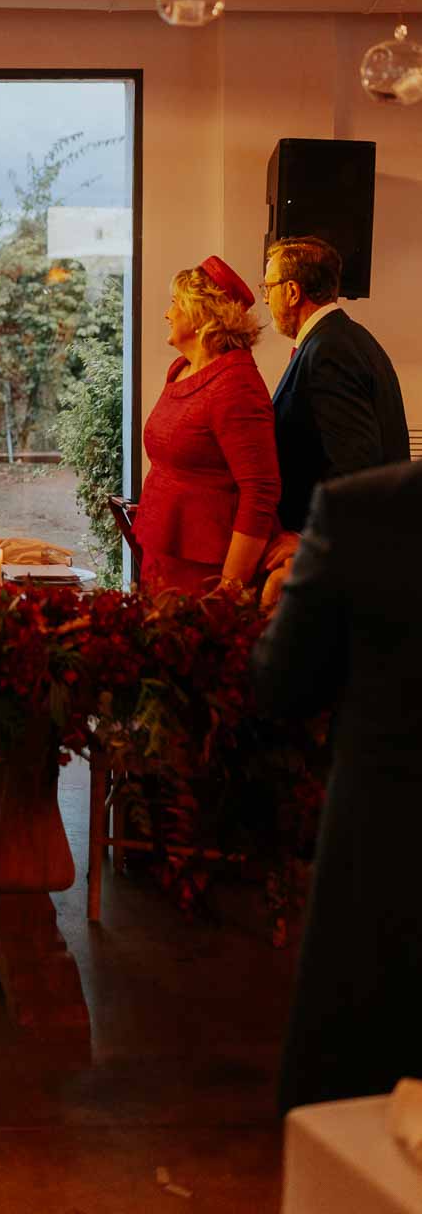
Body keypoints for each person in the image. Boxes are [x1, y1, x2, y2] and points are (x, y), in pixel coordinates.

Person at [252, 460, 422, 1112]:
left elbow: (283, 684)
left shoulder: (365, 512)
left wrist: (287, 592)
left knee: (362, 1125)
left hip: (391, 874)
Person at [133, 255, 281, 596]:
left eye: (174, 304)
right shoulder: (180, 368)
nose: (167, 314)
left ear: (201, 314)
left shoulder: (236, 384)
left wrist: (231, 585)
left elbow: (261, 490)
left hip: (206, 573)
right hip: (164, 555)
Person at [263, 236, 409, 536]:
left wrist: (309, 541)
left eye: (268, 287)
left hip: (339, 552)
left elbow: (355, 468)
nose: (265, 298)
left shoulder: (329, 351)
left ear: (292, 291)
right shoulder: (349, 338)